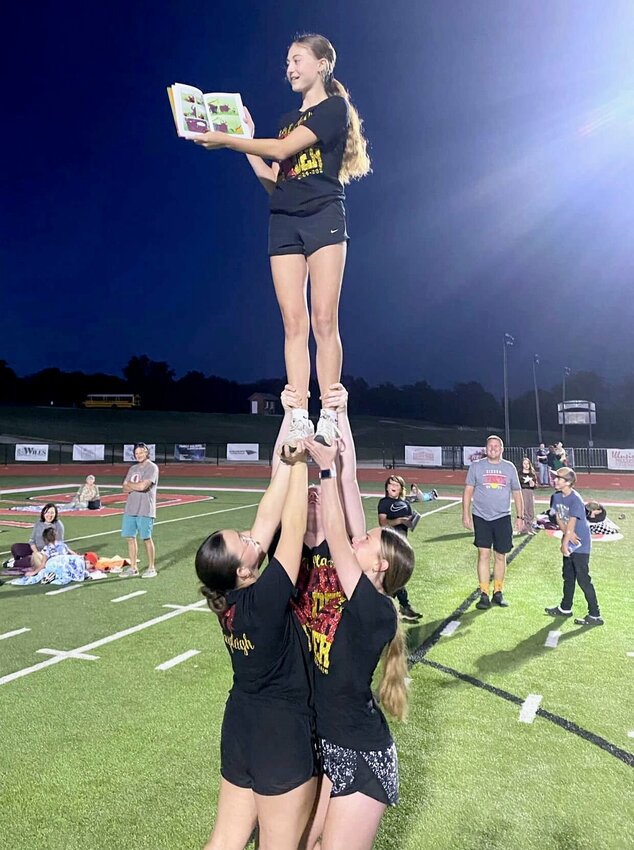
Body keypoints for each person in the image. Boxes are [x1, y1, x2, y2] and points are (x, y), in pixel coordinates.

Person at [191, 33, 370, 449]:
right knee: (294, 323)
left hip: (324, 215)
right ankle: (298, 416)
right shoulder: (287, 119)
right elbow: (277, 181)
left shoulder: (333, 108)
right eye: (286, 62)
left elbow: (285, 148)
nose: (289, 67)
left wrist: (227, 138)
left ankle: (328, 411)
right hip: (283, 221)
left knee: (324, 320)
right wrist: (245, 143)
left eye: (297, 59)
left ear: (323, 64)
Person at [195, 450, 316, 850]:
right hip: (279, 732)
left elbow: (267, 516)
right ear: (243, 571)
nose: (251, 537)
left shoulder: (226, 598)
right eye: (244, 542)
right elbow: (292, 528)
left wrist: (285, 457)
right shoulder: (264, 598)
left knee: (225, 841)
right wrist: (301, 464)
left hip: (241, 727)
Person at [301, 435, 414, 850]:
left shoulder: (377, 610)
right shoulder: (356, 589)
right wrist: (342, 416)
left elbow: (335, 525)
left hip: (362, 756)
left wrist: (326, 470)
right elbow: (349, 493)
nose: (359, 537)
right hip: (330, 746)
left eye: (368, 540)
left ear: (380, 566)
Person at [462, 435, 524, 609]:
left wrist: (520, 517)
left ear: (502, 449)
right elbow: (468, 491)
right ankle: (484, 593)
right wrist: (465, 514)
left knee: (500, 555)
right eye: (490, 446)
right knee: (483, 554)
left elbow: (517, 493)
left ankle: (498, 591)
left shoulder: (509, 467)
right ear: (486, 448)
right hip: (481, 516)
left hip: (502, 517)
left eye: (497, 446)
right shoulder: (476, 466)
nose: (493, 448)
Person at [545, 467, 604, 626]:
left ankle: (595, 615)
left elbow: (572, 521)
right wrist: (567, 535)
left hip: (580, 543)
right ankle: (565, 608)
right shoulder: (556, 496)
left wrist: (566, 542)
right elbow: (559, 518)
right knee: (568, 576)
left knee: (583, 579)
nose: (555, 480)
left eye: (559, 478)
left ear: (569, 482)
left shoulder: (575, 499)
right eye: (555, 477)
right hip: (570, 538)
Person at [377, 475, 422, 621]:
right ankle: (398, 606)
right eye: (390, 484)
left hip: (402, 543)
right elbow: (383, 523)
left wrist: (411, 521)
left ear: (401, 488)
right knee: (394, 575)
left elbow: (410, 525)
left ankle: (399, 606)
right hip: (389, 544)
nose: (392, 486)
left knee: (398, 575)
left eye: (395, 484)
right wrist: (400, 520)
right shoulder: (384, 502)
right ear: (386, 487)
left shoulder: (405, 504)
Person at [121, 443, 159, 578]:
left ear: (146, 453)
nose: (139, 455)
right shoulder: (133, 468)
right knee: (130, 538)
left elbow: (144, 486)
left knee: (146, 538)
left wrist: (131, 485)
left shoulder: (152, 467)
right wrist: (134, 486)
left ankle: (151, 568)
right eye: (136, 453)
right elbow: (124, 488)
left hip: (145, 509)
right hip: (130, 508)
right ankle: (133, 567)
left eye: (141, 453)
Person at [4, 503, 66, 572]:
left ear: (55, 514)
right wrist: (35, 551)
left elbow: (59, 544)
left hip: (46, 553)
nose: (50, 515)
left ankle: (14, 563)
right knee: (15, 547)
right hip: (35, 549)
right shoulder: (39, 523)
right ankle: (19, 560)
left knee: (31, 559)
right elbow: (32, 540)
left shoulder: (58, 525)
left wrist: (40, 554)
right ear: (43, 513)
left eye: (52, 513)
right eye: (48, 512)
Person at [518, 457, 538, 535]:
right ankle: (525, 528)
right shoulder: (519, 474)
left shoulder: (532, 474)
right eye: (524, 464)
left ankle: (530, 527)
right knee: (525, 509)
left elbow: (536, 485)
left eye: (527, 464)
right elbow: (517, 484)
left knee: (531, 510)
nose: (526, 465)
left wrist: (533, 485)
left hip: (530, 492)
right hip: (523, 492)